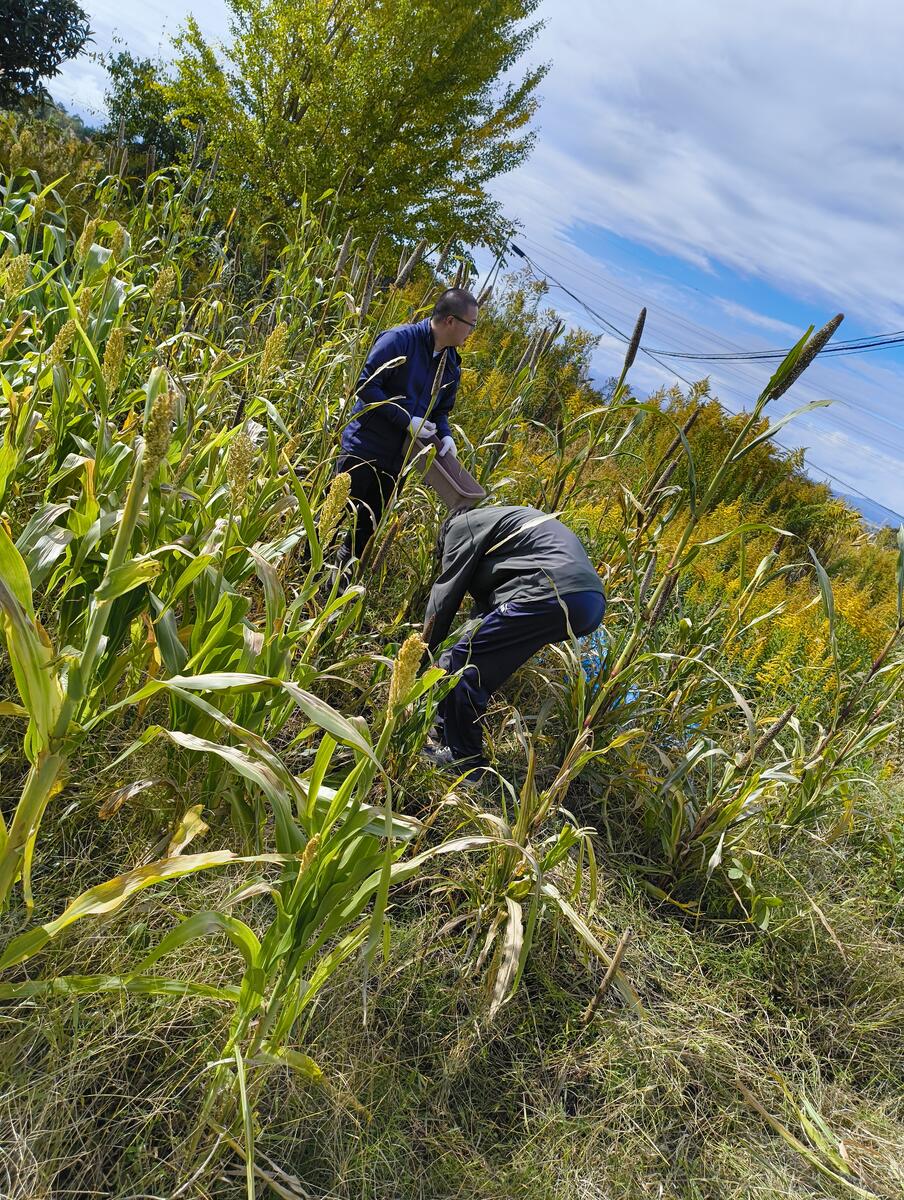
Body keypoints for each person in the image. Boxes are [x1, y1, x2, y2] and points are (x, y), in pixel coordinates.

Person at [422, 504, 606, 777]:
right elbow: (479, 624)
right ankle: (445, 736)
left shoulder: (461, 528)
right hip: (587, 602)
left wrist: (421, 654)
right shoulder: (502, 533)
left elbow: (444, 599)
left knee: (467, 664)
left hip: (550, 590)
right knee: (470, 656)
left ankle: (464, 762)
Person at [336, 287, 479, 564]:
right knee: (330, 520)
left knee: (364, 534)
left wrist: (447, 436)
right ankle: (299, 580)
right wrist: (406, 419)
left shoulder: (451, 364)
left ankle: (335, 591)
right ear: (451, 321)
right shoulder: (400, 340)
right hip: (364, 448)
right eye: (470, 325)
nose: (471, 332)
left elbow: (440, 411)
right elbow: (366, 386)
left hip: (398, 461)